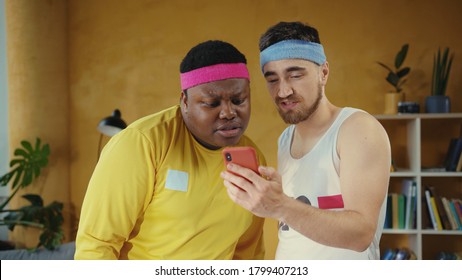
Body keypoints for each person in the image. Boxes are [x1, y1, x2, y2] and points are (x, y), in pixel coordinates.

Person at [75, 40, 266, 260]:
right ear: (184, 101)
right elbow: (97, 245)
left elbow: (247, 252)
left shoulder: (253, 157)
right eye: (212, 103)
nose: (228, 113)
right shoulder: (142, 144)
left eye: (238, 100)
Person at [221, 21, 391, 259]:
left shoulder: (357, 128)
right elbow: (296, 226)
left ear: (323, 72)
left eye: (295, 75)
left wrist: (280, 205)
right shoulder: (285, 139)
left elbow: (360, 234)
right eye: (272, 79)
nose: (283, 91)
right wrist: (272, 199)